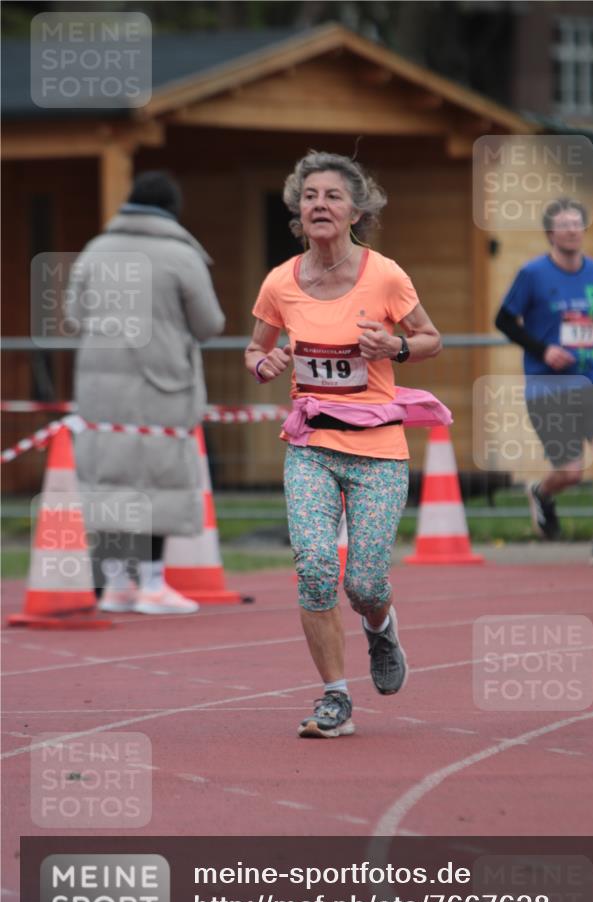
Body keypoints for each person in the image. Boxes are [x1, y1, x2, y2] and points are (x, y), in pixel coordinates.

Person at [246, 151, 449, 738]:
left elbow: (431, 338)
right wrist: (268, 363)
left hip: (378, 450)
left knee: (362, 583)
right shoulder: (280, 282)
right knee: (313, 569)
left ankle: (380, 629)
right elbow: (254, 351)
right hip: (310, 445)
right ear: (297, 208)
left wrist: (397, 348)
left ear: (356, 209)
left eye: (332, 196)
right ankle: (335, 697)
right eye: (309, 196)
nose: (319, 205)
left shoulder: (385, 274)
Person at [67, 170, 226, 613]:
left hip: (99, 386)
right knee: (159, 480)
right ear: (172, 210)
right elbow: (209, 324)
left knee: (112, 478)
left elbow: (73, 315)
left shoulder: (96, 250)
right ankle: (154, 584)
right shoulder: (180, 254)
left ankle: (117, 583)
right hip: (161, 382)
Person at [495, 197, 593, 566]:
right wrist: (544, 350)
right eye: (565, 224)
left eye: (578, 224)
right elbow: (505, 321)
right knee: (571, 471)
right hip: (549, 383)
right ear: (550, 233)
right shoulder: (532, 274)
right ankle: (542, 492)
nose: (573, 229)